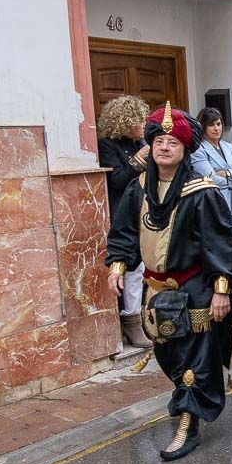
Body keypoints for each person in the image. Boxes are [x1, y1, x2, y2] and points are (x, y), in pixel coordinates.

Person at [105, 103, 232, 461]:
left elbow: (220, 245)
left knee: (196, 360)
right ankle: (183, 396)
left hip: (193, 291)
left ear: (184, 151)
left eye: (172, 142)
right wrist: (117, 265)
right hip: (155, 292)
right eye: (159, 141)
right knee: (169, 355)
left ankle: (188, 422)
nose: (164, 147)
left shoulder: (202, 192)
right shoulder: (138, 189)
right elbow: (123, 231)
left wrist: (221, 290)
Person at [97, 95, 153, 349]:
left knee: (143, 266)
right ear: (125, 121)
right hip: (123, 213)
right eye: (139, 120)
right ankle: (130, 322)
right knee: (130, 267)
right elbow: (117, 180)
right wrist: (139, 159)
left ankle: (141, 316)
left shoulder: (142, 141)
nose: (143, 124)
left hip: (145, 209)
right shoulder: (108, 146)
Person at [191, 109, 232, 316]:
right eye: (212, 125)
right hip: (215, 206)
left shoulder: (228, 146)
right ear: (203, 127)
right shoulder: (198, 150)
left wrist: (225, 173)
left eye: (219, 124)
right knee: (219, 251)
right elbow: (209, 177)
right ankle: (219, 293)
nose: (216, 128)